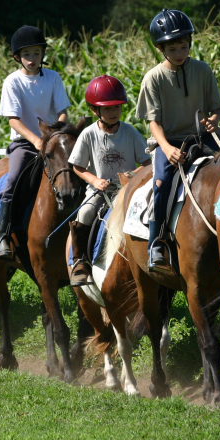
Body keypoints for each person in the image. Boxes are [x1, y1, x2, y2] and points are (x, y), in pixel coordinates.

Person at [136, 9, 220, 273]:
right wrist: (166, 148)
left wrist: (214, 121)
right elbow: (152, 122)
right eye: (172, 48)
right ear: (161, 48)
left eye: (184, 46)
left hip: (203, 137)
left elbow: (216, 108)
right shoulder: (153, 78)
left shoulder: (203, 70)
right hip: (169, 141)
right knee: (162, 181)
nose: (179, 53)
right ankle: (157, 243)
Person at [0, 25, 71, 261]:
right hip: (25, 143)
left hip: (52, 141)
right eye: (27, 54)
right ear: (18, 56)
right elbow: (13, 121)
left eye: (36, 53)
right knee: (13, 178)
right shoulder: (12, 81)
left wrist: (53, 135)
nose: (32, 59)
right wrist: (37, 140)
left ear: (42, 55)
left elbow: (63, 113)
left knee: (75, 171)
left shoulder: (53, 77)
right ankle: (3, 237)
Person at [67, 75, 150, 285]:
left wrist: (134, 174)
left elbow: (147, 162)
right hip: (100, 190)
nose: (114, 113)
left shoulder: (130, 132)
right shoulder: (88, 134)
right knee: (85, 212)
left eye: (117, 108)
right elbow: (77, 166)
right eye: (108, 109)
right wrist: (94, 181)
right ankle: (80, 262)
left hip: (128, 189)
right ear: (95, 110)